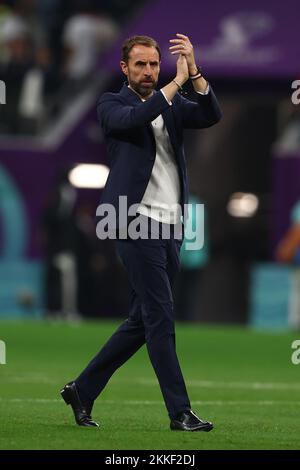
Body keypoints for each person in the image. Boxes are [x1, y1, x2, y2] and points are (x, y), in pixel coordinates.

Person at [60, 34, 222, 431]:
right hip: (132, 220)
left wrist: (195, 73)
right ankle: (180, 412)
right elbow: (134, 119)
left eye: (154, 64)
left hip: (171, 224)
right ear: (124, 68)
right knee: (162, 316)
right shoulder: (111, 104)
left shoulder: (171, 103)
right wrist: (173, 85)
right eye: (141, 65)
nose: (149, 71)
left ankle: (82, 389)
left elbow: (210, 115)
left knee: (143, 319)